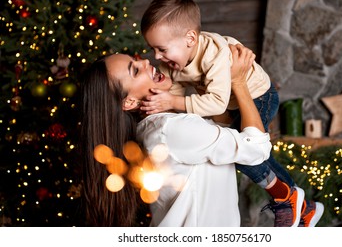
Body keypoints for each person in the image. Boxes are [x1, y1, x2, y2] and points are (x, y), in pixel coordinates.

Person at [139, 0, 324, 227]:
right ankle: (303, 207)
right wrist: (163, 103)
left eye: (162, 49)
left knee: (246, 155)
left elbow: (213, 102)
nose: (157, 56)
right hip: (230, 104)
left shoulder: (214, 55)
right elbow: (170, 99)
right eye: (153, 49)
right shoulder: (173, 61)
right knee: (241, 153)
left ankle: (288, 198)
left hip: (258, 96)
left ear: (190, 39)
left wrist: (174, 102)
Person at [79, 44, 273, 226]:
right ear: (129, 102)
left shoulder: (156, 128)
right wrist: (238, 81)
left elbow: (221, 129)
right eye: (136, 70)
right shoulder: (171, 129)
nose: (146, 62)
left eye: (136, 60)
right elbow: (257, 150)